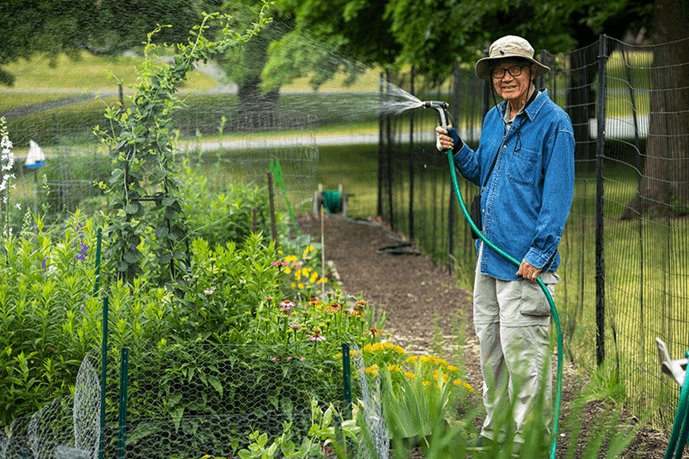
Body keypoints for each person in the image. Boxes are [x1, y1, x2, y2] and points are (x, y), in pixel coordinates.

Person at [436, 35, 575, 453]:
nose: (507, 77)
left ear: (533, 72)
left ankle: (528, 440)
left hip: (523, 264)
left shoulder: (555, 123)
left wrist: (538, 253)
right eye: (499, 71)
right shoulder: (495, 117)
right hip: (489, 256)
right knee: (492, 354)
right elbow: (484, 171)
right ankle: (497, 434)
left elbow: (558, 196)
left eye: (515, 68)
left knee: (525, 359)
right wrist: (459, 148)